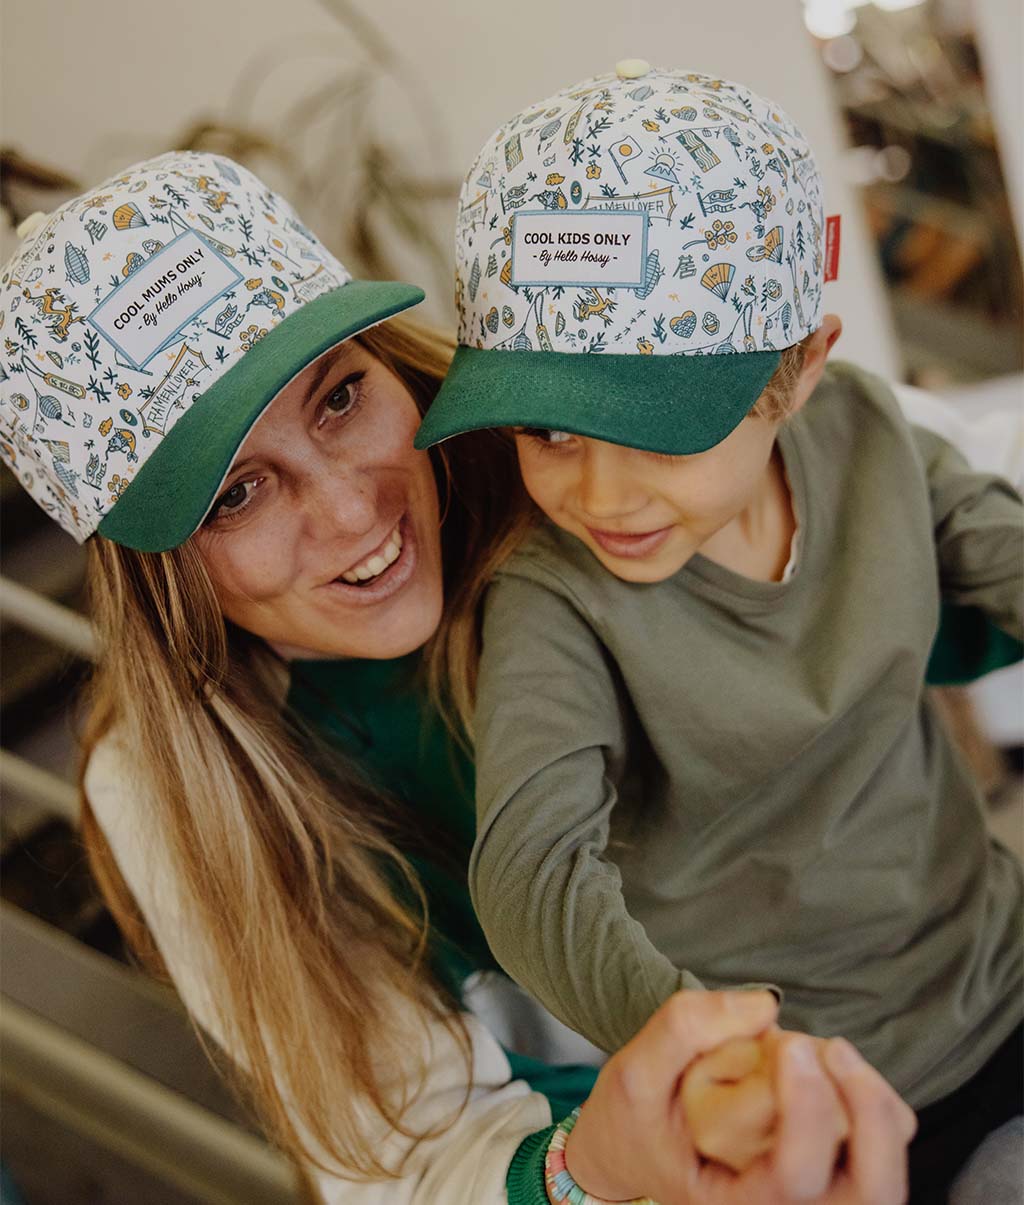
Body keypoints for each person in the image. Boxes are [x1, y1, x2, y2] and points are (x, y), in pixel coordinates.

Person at [0, 151, 915, 1204]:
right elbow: (418, 1163)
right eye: (237, 493)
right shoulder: (166, 795)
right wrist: (600, 1165)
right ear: (156, 574)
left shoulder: (584, 489)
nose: (352, 511)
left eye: (340, 396)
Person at [413, 62, 1024, 1203]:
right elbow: (533, 869)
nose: (602, 494)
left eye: (657, 427)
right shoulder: (553, 595)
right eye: (546, 431)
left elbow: (1001, 547)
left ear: (795, 371)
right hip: (817, 1094)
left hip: (1002, 968)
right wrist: (709, 1050)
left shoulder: (868, 436)